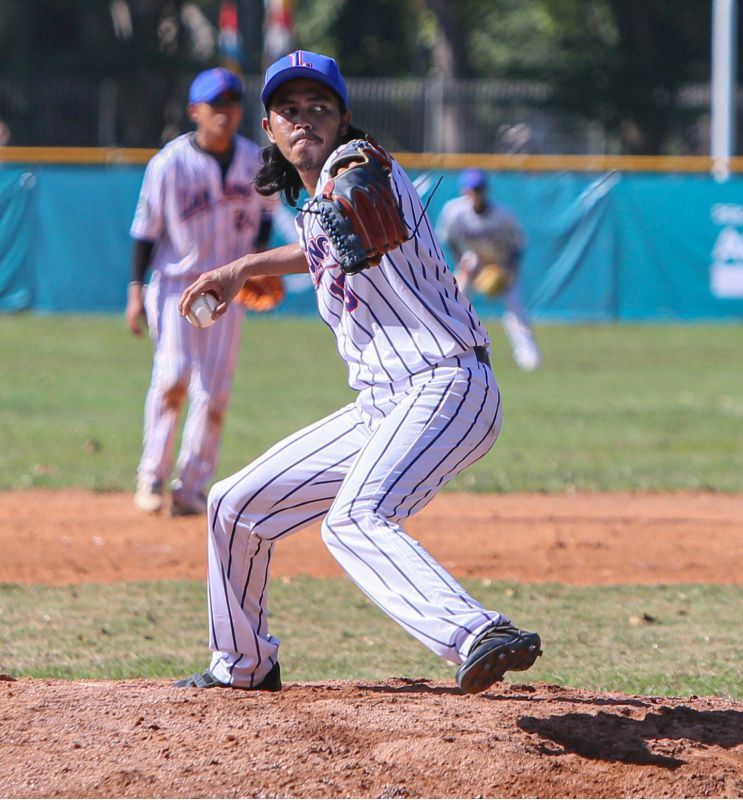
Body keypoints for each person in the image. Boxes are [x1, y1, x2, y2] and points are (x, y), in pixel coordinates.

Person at [173, 50, 541, 694]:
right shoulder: (313, 202)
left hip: (448, 382)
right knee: (233, 506)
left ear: (345, 118)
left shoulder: (360, 166)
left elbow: (360, 184)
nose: (304, 120)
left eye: (320, 108)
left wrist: (351, 180)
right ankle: (243, 666)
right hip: (382, 403)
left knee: (354, 518)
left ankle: (476, 632)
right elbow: (316, 240)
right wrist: (242, 268)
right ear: (268, 127)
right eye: (289, 110)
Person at [127, 67, 275, 516]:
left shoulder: (257, 161)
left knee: (215, 391)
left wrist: (260, 264)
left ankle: (191, 487)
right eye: (215, 106)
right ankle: (152, 475)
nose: (225, 113)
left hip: (228, 289)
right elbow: (145, 233)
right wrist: (136, 290)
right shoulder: (168, 164)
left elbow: (266, 214)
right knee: (173, 378)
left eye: (232, 104)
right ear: (196, 111)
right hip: (175, 286)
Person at [436, 168, 542, 371]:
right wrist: (461, 263)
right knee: (455, 300)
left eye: (479, 188)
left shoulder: (503, 215)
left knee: (516, 308)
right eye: (472, 189)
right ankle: (450, 346)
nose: (476, 193)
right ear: (465, 191)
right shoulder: (455, 211)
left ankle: (528, 354)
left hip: (500, 262)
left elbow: (518, 244)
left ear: (486, 190)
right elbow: (448, 239)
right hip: (473, 260)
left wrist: (510, 269)